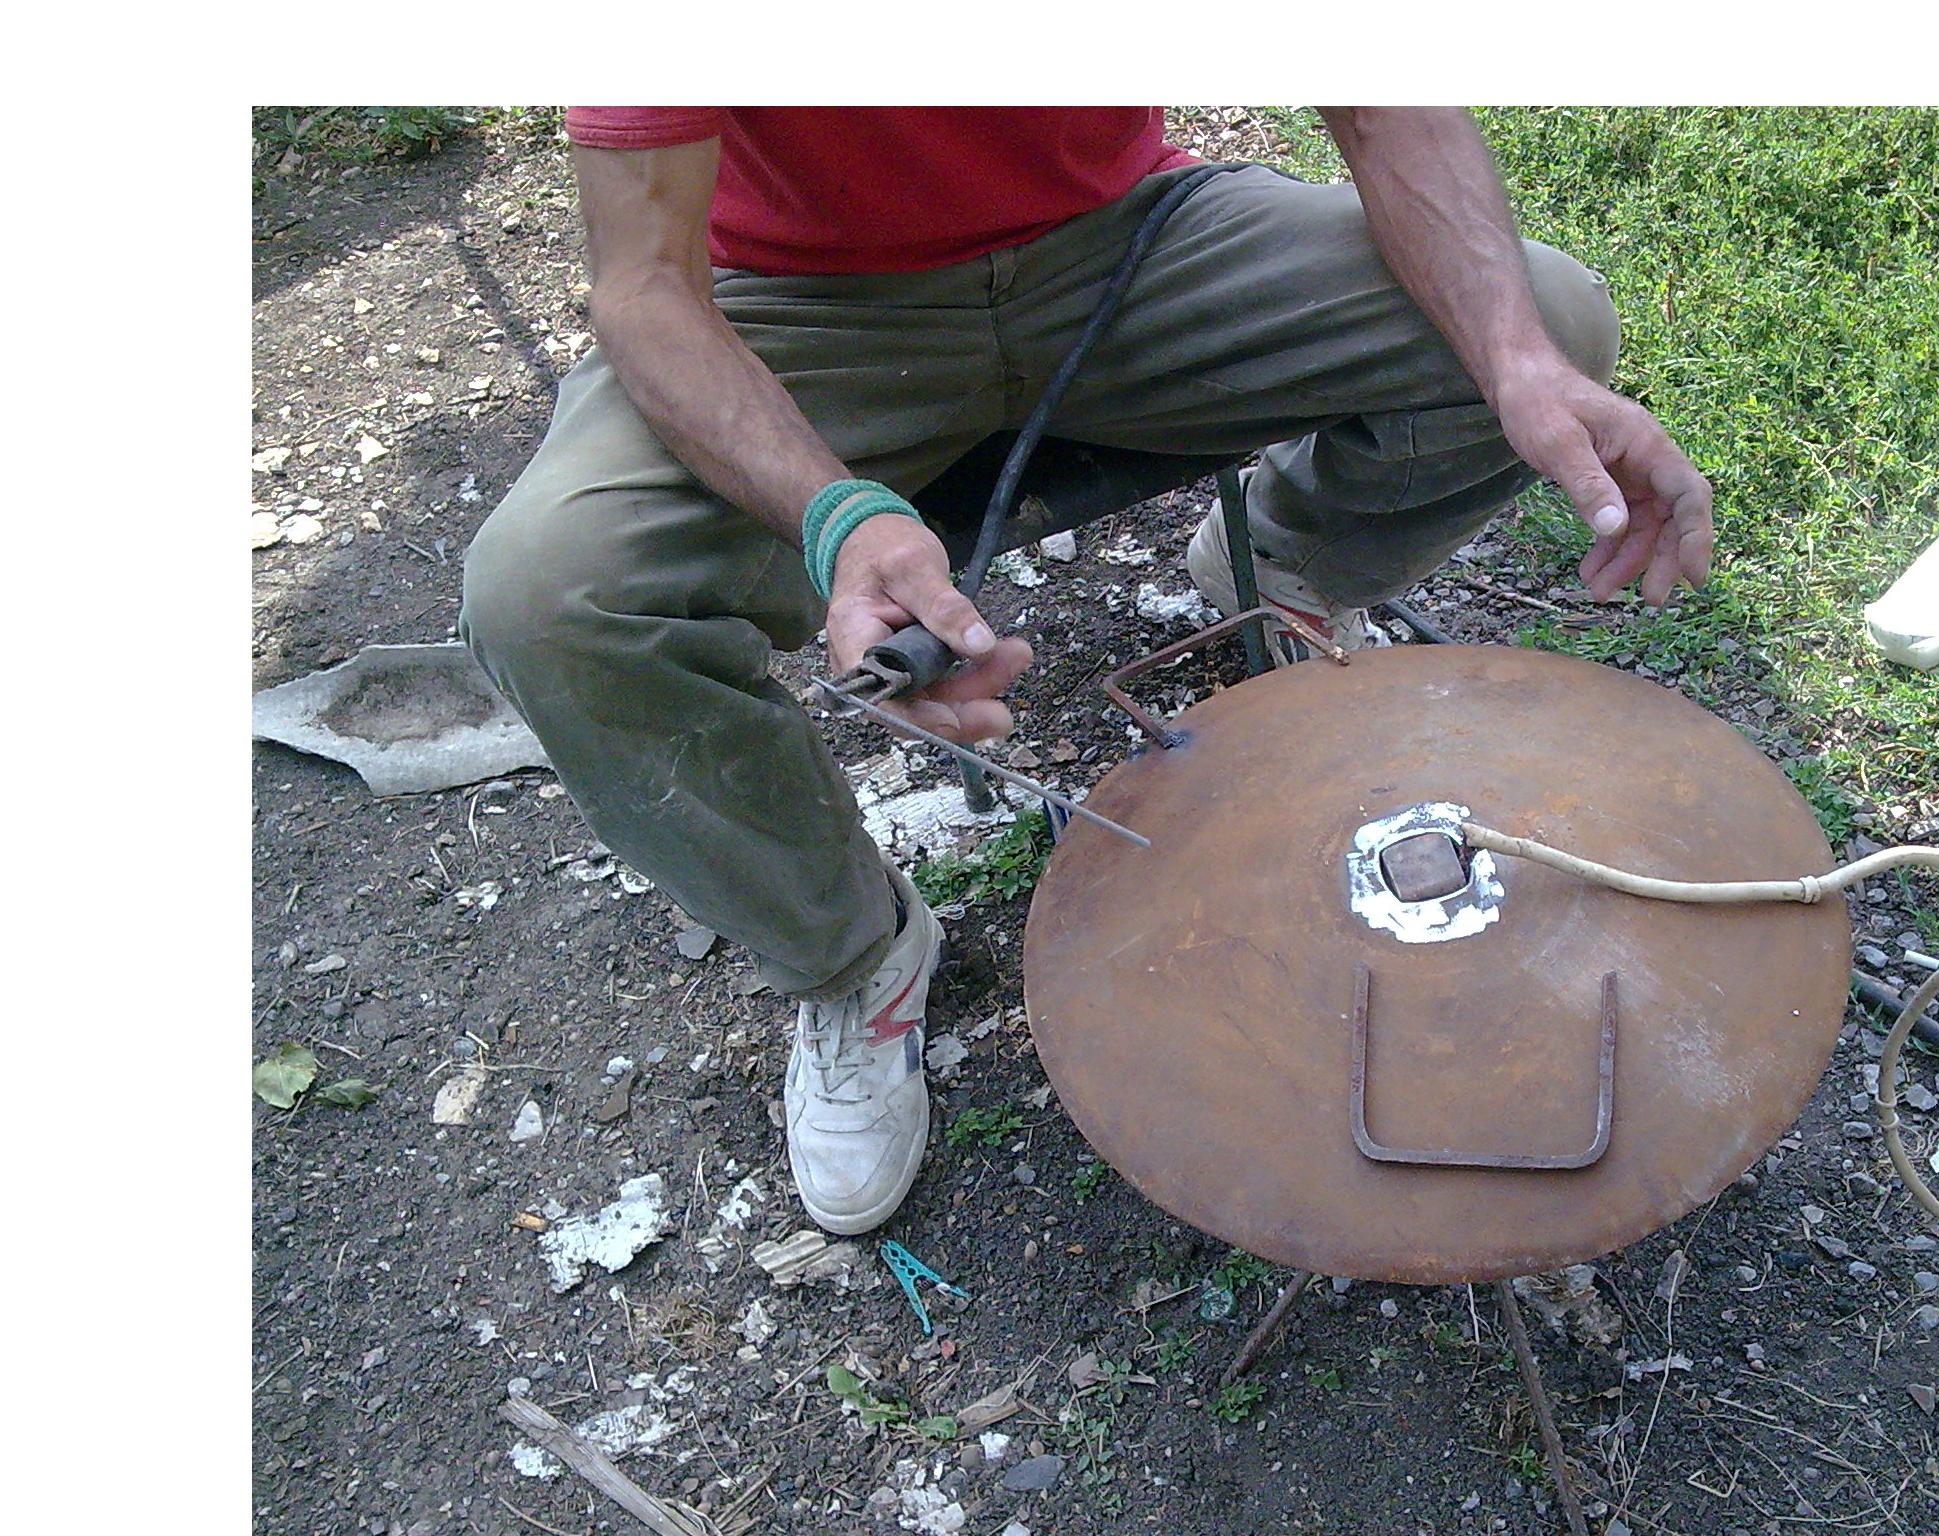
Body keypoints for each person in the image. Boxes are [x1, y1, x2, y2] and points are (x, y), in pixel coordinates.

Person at [461, 107, 1712, 1235]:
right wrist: (835, 515)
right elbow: (643, 286)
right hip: (802, 307)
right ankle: (851, 957)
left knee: (1545, 322)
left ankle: (1275, 559)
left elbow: (1386, 110)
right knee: (550, 600)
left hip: (1122, 246)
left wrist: (1513, 358)